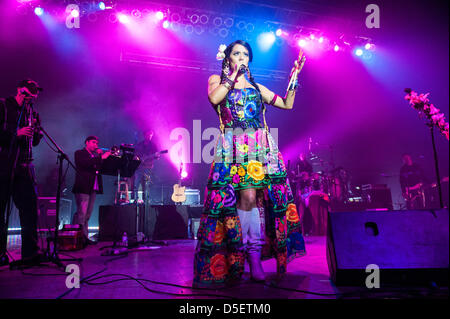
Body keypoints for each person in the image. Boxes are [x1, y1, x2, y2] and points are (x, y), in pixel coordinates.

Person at [193, 40, 306, 287]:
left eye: (245, 54)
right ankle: (239, 256)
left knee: (251, 197)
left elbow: (287, 103)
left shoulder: (256, 86)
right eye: (237, 53)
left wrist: (294, 76)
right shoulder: (217, 80)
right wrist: (232, 76)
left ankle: (252, 257)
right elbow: (215, 99)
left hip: (258, 147)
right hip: (231, 146)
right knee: (240, 200)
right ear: (228, 58)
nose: (242, 57)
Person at [0, 79, 44, 266]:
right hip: (4, 165)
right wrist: (15, 133)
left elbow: (33, 142)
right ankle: (1, 253)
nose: (33, 95)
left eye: (36, 92)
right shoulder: (3, 106)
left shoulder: (32, 113)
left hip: (25, 167)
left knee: (30, 211)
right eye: (30, 91)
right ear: (20, 90)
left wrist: (37, 134)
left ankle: (29, 254)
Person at [72, 136, 111, 246]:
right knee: (82, 214)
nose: (96, 145)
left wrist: (102, 157)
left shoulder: (95, 156)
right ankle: (79, 238)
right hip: (83, 187)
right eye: (93, 142)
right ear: (87, 143)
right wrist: (101, 157)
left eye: (97, 143)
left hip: (93, 188)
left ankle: (83, 237)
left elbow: (101, 168)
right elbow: (84, 163)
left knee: (87, 215)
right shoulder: (79, 153)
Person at [132, 130, 159, 202]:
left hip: (148, 167)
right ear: (145, 135)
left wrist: (156, 156)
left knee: (146, 184)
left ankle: (146, 200)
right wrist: (139, 158)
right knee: (136, 184)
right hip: (139, 167)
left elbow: (157, 157)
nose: (149, 136)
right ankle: (135, 199)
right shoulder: (140, 145)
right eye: (148, 135)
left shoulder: (153, 145)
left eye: (151, 135)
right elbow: (135, 154)